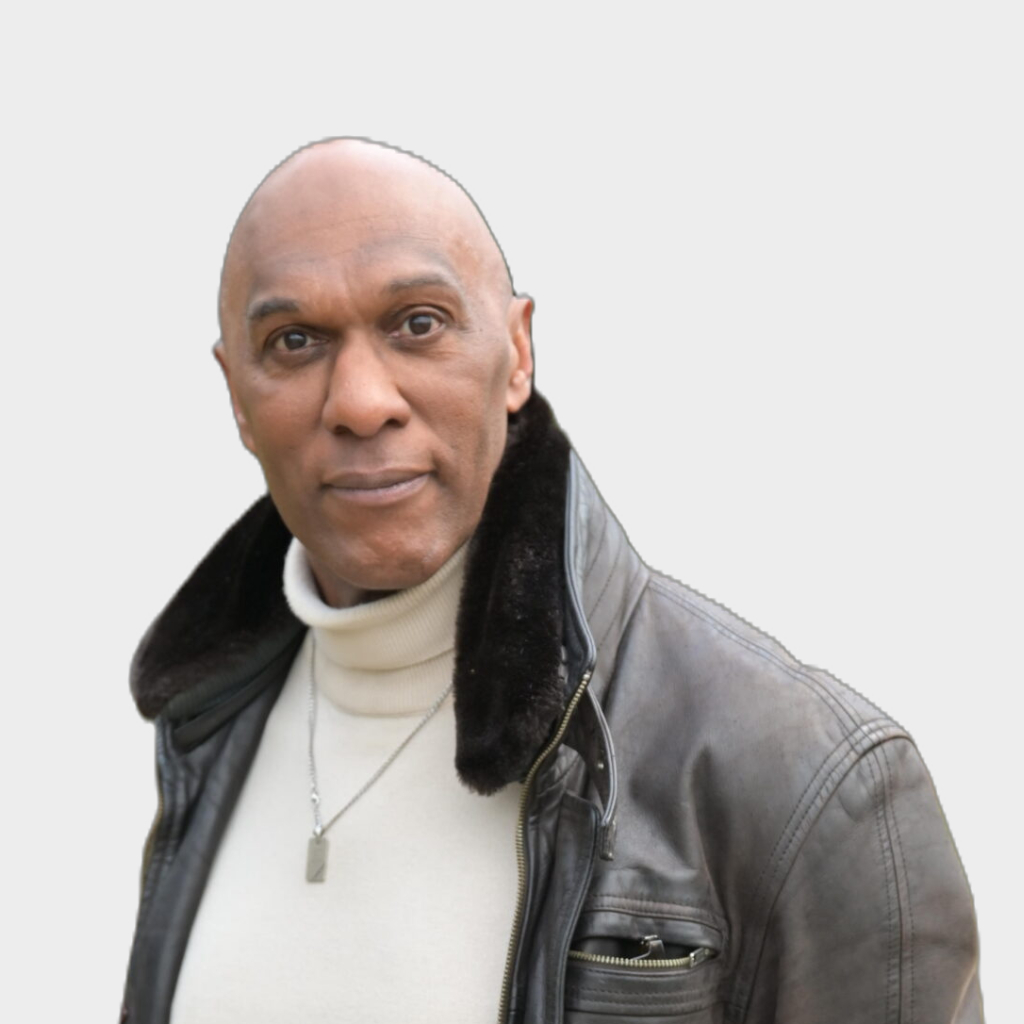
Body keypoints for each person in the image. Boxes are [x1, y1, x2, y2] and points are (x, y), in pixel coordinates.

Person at [121, 138, 983, 1024]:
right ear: (237, 396)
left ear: (518, 352)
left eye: (417, 323)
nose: (361, 401)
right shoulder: (207, 730)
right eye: (294, 341)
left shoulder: (809, 781)